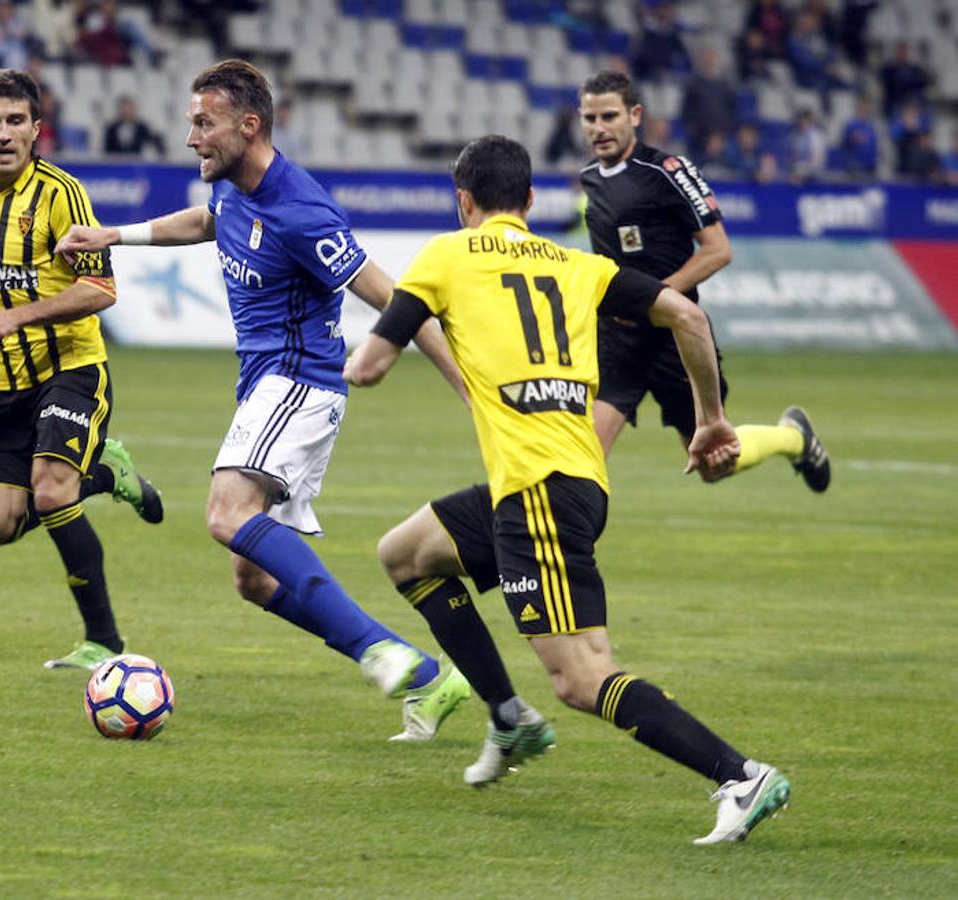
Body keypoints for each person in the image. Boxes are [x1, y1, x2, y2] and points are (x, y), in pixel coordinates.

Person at [345, 134, 791, 845]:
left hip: (539, 497)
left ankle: (739, 775)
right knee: (406, 554)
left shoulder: (444, 256)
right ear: (527, 202)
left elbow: (367, 368)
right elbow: (689, 315)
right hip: (561, 476)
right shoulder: (579, 264)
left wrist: (345, 352)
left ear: (463, 202)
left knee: (582, 679)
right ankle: (505, 717)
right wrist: (709, 419)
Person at [54, 59, 471, 735]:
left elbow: (399, 302)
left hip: (299, 381)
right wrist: (112, 236)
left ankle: (379, 650)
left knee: (224, 512)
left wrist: (468, 391)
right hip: (262, 386)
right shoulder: (230, 185)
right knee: (250, 579)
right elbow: (205, 220)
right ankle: (429, 678)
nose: (191, 138)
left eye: (203, 123)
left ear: (248, 126)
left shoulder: (302, 210)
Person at [0, 68, 164, 671]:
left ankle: (104, 644)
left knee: (48, 488)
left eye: (17, 121)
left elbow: (100, 288)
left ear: (37, 130)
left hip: (70, 366)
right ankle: (106, 472)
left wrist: (20, 316)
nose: (4, 132)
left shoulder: (62, 194)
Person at [577, 70, 830, 490]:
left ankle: (794, 437)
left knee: (716, 466)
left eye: (609, 116)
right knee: (583, 461)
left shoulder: (668, 171)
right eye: (590, 119)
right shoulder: (589, 177)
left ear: (634, 115)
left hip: (674, 338)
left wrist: (656, 298)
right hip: (617, 342)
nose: (599, 128)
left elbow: (717, 249)